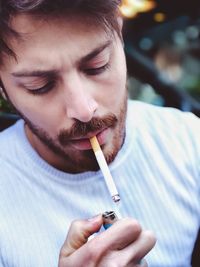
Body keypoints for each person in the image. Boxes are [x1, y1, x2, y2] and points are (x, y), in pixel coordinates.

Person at [0, 0, 199, 266]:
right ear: (3, 89)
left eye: (97, 65)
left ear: (119, 33)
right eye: (40, 86)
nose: (83, 110)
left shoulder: (188, 140)